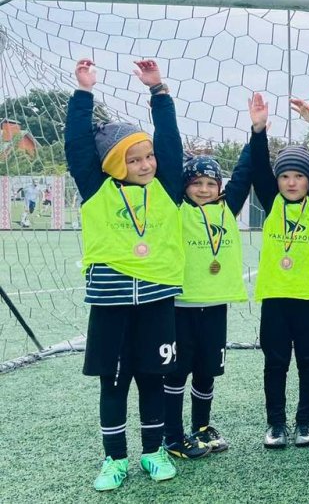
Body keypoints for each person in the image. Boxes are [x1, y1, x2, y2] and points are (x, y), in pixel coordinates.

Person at [67, 58, 185, 490]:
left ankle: (153, 451)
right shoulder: (96, 189)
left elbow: (170, 141)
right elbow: (78, 146)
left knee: (154, 379)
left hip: (157, 302)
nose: (146, 164)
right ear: (115, 164)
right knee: (113, 384)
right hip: (110, 305)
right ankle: (114, 459)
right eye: (134, 159)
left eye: (148, 156)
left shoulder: (167, 187)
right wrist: (84, 93)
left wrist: (158, 91)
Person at [249, 93, 309, 449]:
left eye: (298, 176)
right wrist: (258, 131)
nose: (290, 182)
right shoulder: (271, 203)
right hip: (275, 299)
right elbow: (259, 169)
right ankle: (275, 424)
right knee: (275, 363)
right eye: (284, 175)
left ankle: (304, 422)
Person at [161, 142, 252, 459]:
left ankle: (201, 427)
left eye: (211, 183)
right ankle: (172, 436)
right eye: (196, 183)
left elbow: (243, 173)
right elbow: (168, 165)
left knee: (206, 371)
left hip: (214, 306)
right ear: (185, 185)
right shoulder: (176, 207)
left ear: (219, 187)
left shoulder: (228, 208)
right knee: (176, 372)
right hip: (179, 306)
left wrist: (256, 134)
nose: (203, 189)